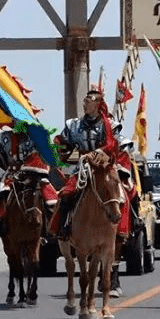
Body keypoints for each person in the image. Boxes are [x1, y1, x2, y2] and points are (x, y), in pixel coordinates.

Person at [48, 89, 126, 240]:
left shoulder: (110, 125)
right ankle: (63, 229)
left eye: (88, 100)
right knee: (66, 195)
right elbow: (60, 142)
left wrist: (104, 154)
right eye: (84, 101)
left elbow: (123, 144)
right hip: (81, 167)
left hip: (105, 167)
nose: (84, 103)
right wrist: (60, 151)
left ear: (97, 104)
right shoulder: (73, 125)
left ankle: (127, 227)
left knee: (124, 194)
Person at [0, 123, 59, 238]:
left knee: (50, 198)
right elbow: (2, 156)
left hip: (33, 173)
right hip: (11, 174)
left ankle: (52, 228)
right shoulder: (4, 137)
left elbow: (42, 156)